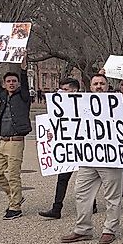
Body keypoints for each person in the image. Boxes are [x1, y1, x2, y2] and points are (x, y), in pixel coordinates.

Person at [59, 74, 123, 244]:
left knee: (112, 197)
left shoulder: (117, 105)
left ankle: (109, 230)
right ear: (91, 87)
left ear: (108, 86)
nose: (99, 86)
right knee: (81, 193)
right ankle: (83, 229)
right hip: (88, 158)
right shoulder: (81, 104)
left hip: (110, 159)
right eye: (96, 84)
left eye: (102, 83)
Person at [0, 59, 32, 220]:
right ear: (4, 84)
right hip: (1, 141)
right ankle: (15, 194)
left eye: (14, 81)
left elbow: (24, 84)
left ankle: (15, 206)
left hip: (15, 142)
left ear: (17, 84)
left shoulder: (23, 96)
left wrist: (23, 70)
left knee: (14, 175)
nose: (11, 83)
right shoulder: (2, 96)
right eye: (8, 81)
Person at [39, 78, 81, 220]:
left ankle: (91, 204)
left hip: (82, 146)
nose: (61, 92)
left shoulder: (84, 104)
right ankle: (57, 208)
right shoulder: (58, 106)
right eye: (60, 89)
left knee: (86, 178)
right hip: (67, 147)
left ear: (74, 90)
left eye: (65, 89)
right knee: (62, 178)